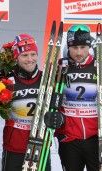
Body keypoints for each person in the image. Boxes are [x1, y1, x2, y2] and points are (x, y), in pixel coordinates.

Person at [44, 24, 98, 171]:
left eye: (83, 47)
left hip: (96, 137)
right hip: (69, 138)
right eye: (74, 47)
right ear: (68, 47)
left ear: (89, 46)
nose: (79, 52)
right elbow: (48, 97)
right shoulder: (60, 67)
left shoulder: (98, 66)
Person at [0, 34, 51, 171]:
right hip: (14, 146)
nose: (30, 59)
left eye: (33, 54)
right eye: (25, 55)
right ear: (16, 57)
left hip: (40, 144)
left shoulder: (46, 79)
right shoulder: (7, 81)